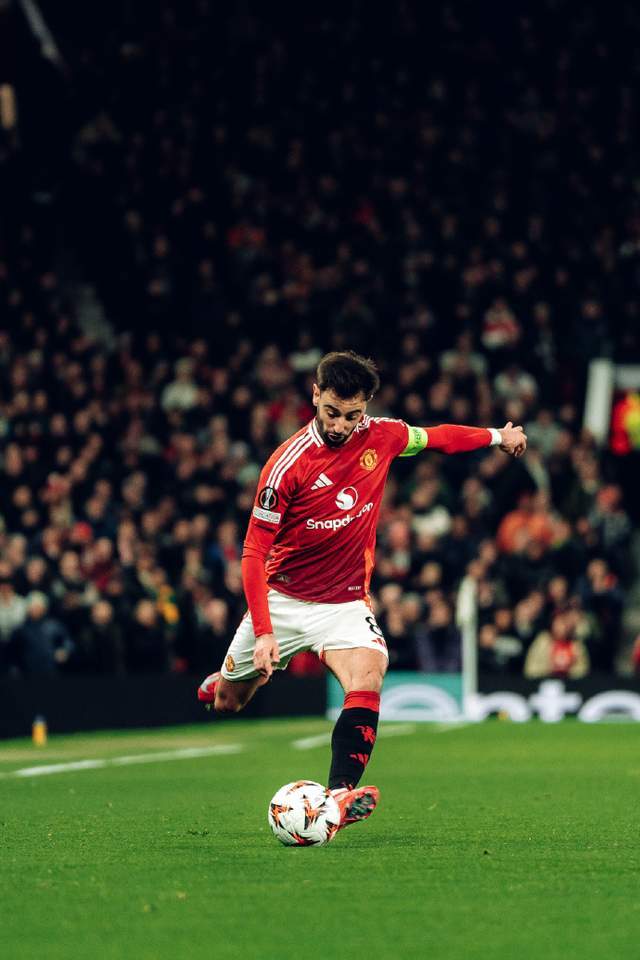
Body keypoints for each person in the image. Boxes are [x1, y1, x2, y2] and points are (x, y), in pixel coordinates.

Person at [198, 351, 526, 833]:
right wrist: (264, 631)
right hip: (284, 601)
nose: (339, 425)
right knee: (230, 702)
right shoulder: (286, 466)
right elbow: (252, 553)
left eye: (351, 416)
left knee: (369, 675)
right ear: (315, 395)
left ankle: (337, 798)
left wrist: (498, 436)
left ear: (365, 407)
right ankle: (222, 681)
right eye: (331, 412)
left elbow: (439, 438)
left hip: (345, 603)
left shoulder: (383, 436)